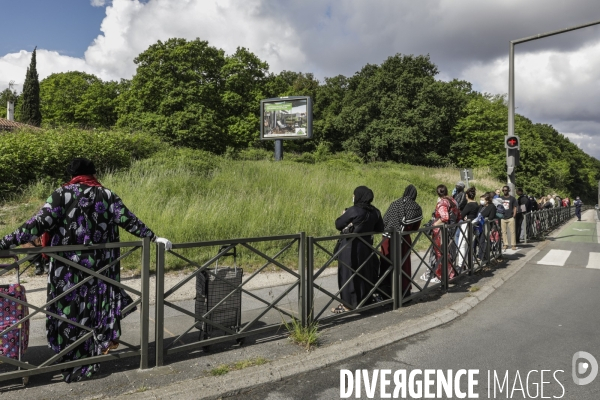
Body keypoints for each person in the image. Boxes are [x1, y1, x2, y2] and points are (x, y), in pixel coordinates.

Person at [0, 158, 172, 383]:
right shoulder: (107, 195)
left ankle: (69, 362)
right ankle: (89, 362)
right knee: (93, 315)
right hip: (100, 272)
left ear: (71, 174)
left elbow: (35, 225)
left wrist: (4, 242)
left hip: (67, 273)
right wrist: (153, 237)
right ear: (93, 173)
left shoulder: (62, 195)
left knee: (67, 316)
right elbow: (129, 220)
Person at [333, 186, 384, 313]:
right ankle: (365, 300)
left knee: (347, 274)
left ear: (358, 196)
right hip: (366, 246)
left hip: (349, 247)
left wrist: (344, 215)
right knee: (364, 273)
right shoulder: (375, 211)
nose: (353, 197)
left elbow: (338, 224)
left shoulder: (354, 210)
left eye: (354, 195)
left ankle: (347, 304)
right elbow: (380, 228)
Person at [380, 184, 423, 299]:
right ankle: (403, 292)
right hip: (403, 239)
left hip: (387, 239)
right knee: (403, 265)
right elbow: (415, 227)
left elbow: (384, 220)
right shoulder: (416, 207)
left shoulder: (395, 204)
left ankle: (386, 292)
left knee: (386, 263)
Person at [421, 185, 461, 284]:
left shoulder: (443, 202)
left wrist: (433, 224)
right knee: (449, 253)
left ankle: (441, 276)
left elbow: (444, 217)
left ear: (438, 193)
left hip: (441, 231)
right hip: (451, 229)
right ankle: (450, 274)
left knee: (439, 253)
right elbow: (459, 215)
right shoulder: (453, 200)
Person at [456, 186, 478, 270]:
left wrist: (463, 217)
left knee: (462, 244)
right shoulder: (476, 204)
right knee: (469, 244)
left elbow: (461, 215)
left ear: (467, 196)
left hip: (466, 225)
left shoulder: (469, 205)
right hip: (473, 224)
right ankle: (470, 263)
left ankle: (461, 264)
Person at [475, 192, 497, 261]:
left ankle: (482, 256)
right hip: (478, 225)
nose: (481, 201)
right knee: (478, 241)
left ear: (487, 200)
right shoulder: (481, 206)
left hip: (486, 225)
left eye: (482, 200)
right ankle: (480, 254)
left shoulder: (492, 206)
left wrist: (483, 220)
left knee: (482, 240)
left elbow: (491, 217)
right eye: (480, 199)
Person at [499, 186, 518, 250]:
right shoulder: (500, 198)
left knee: (512, 231)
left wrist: (514, 215)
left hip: (510, 217)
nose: (504, 191)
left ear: (508, 190)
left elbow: (515, 207)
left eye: (506, 190)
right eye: (503, 190)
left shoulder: (512, 198)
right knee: (503, 232)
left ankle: (513, 245)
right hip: (503, 217)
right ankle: (505, 244)